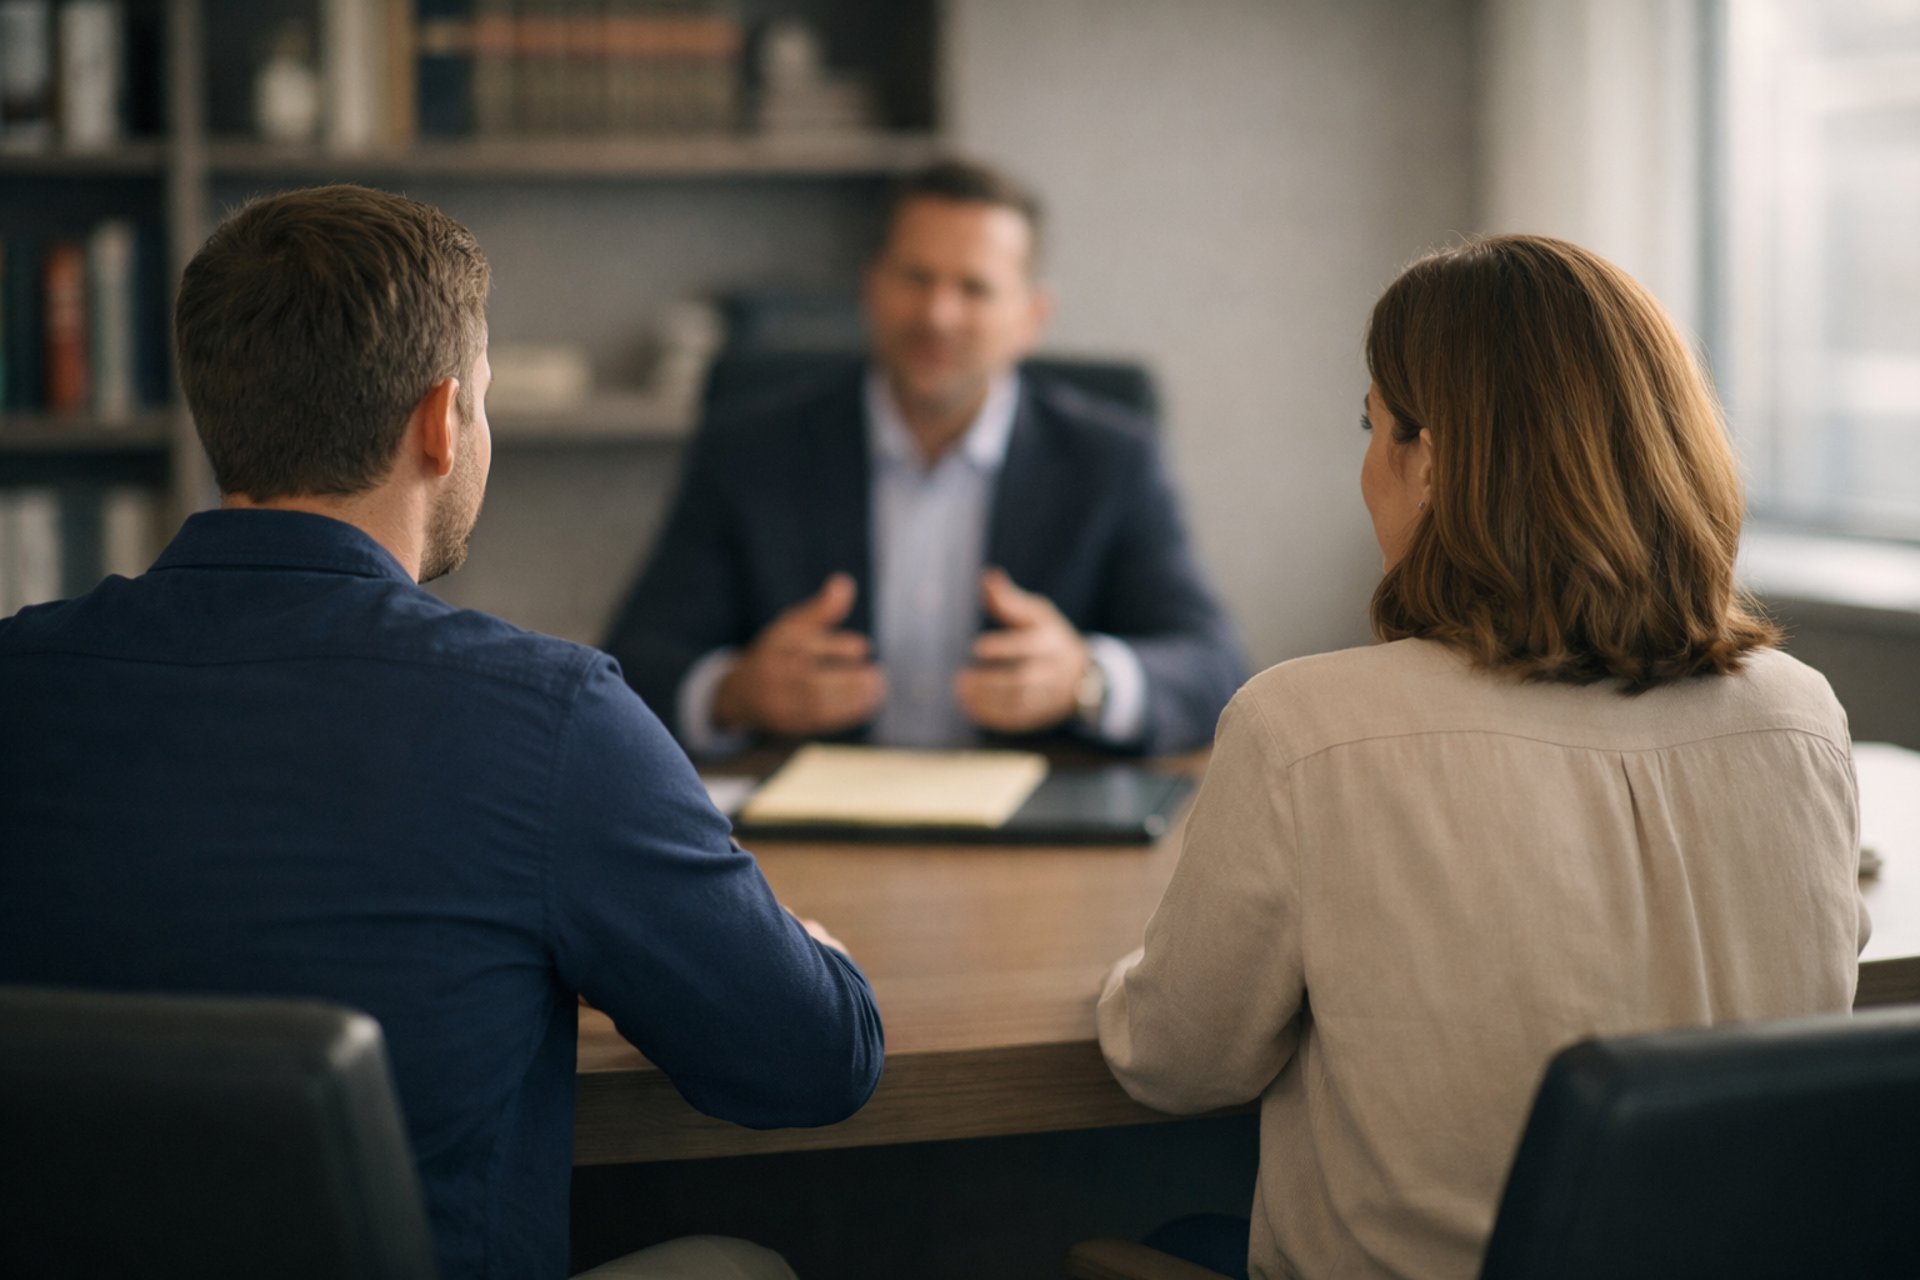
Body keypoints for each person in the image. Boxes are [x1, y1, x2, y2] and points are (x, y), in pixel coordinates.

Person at [0, 186, 883, 1280]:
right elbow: (811, 1060)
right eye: (484, 402)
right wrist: (806, 956)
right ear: (437, 421)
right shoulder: (548, 717)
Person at [1095, 234, 1867, 1280]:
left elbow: (1177, 1062)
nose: (1366, 470)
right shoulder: (1802, 717)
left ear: (1431, 455)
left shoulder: (1308, 730)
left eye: (1372, 427)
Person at [604, 158, 1243, 757]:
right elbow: (631, 667)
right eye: (916, 278)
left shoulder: (1111, 459)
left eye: (975, 288)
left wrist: (1086, 677)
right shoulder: (748, 449)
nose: (938, 314)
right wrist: (736, 691)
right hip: (812, 834)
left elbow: (1214, 666)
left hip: (1038, 837)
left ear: (1031, 316)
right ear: (871, 287)